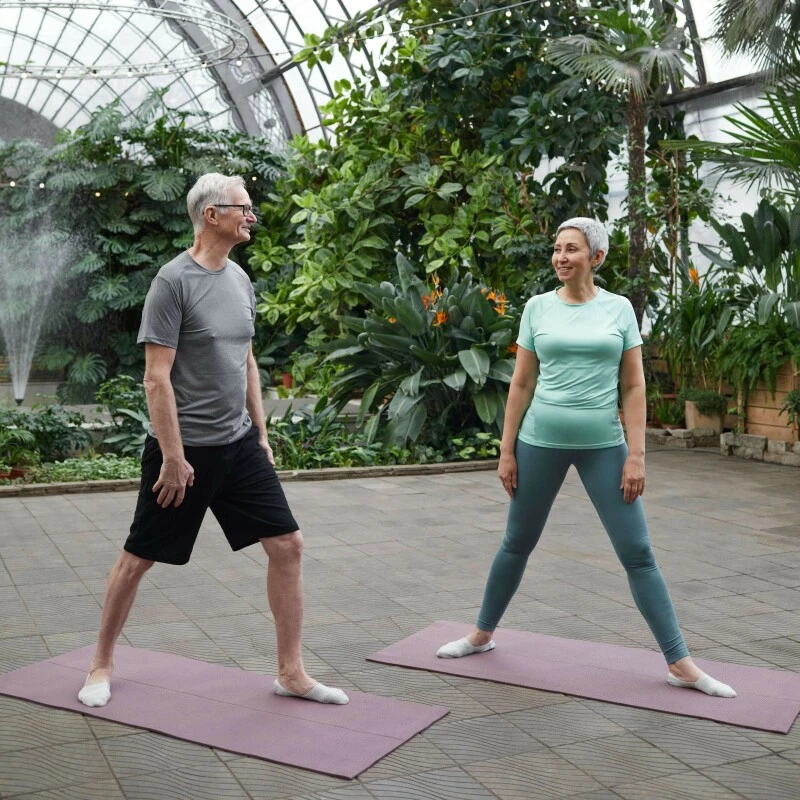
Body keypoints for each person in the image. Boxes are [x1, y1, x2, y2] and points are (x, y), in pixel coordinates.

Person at [78, 173, 348, 708]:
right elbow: (157, 377)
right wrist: (173, 457)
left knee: (288, 545)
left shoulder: (240, 279)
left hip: (240, 445)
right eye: (243, 209)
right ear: (211, 215)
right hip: (183, 452)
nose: (251, 216)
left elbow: (245, 359)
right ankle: (100, 664)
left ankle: (291, 672)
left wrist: (262, 434)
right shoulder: (171, 283)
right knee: (138, 557)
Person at [437, 218, 735, 699]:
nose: (560, 257)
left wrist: (637, 455)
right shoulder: (537, 308)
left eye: (571, 249)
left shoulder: (619, 310)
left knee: (637, 552)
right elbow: (522, 383)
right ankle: (482, 634)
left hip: (604, 446)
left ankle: (680, 663)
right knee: (517, 542)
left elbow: (634, 385)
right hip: (539, 442)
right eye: (556, 249)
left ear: (595, 257)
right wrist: (506, 449)